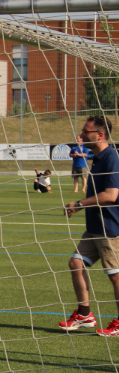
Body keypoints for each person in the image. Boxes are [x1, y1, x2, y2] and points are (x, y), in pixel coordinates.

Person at [61, 116, 119, 337]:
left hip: (110, 229)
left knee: (115, 275)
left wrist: (79, 204)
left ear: (100, 134)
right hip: (94, 227)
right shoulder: (98, 158)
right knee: (76, 263)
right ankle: (84, 315)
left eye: (86, 131)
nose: (82, 135)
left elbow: (111, 195)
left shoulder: (111, 158)